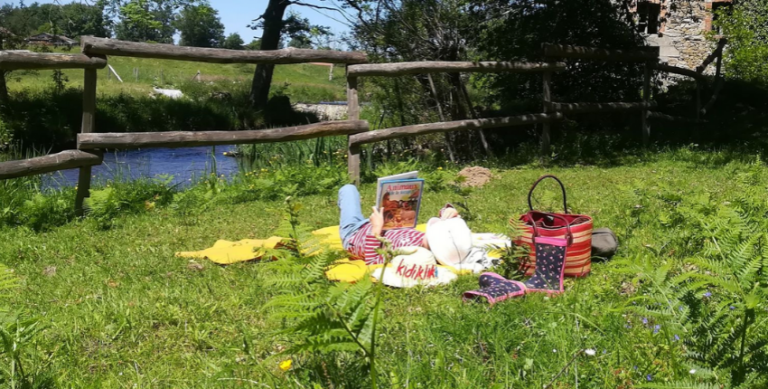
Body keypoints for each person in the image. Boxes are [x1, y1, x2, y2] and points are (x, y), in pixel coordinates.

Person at [338, 184, 458, 265]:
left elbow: (372, 262)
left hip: (354, 233)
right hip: (378, 223)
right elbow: (460, 239)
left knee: (348, 189)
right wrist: (449, 212)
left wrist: (376, 228)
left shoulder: (409, 252)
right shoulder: (436, 241)